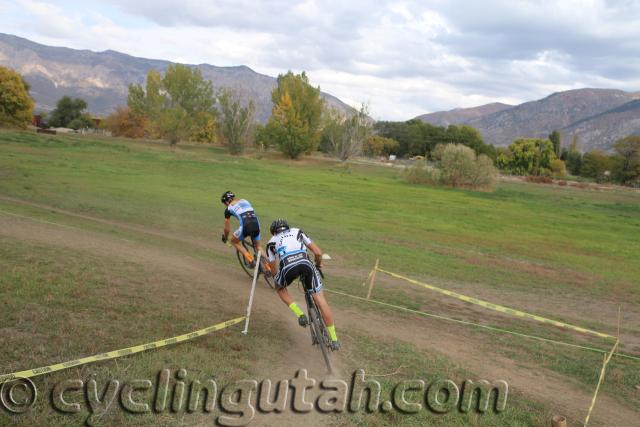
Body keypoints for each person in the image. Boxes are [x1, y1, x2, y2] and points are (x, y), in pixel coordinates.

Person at [266, 218, 340, 351]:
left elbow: (273, 269)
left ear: (273, 232)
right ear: (287, 227)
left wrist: (277, 277)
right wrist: (317, 265)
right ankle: (334, 340)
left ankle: (300, 314)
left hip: (288, 267)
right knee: (321, 301)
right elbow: (317, 252)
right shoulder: (297, 231)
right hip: (306, 264)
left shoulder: (271, 242)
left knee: (280, 288)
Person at [220, 191, 263, 268]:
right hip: (256, 224)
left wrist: (226, 237)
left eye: (224, 203)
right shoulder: (245, 200)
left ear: (226, 202)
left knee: (234, 241)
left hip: (246, 226)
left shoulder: (228, 209)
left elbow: (227, 229)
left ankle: (250, 260)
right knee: (258, 247)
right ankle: (268, 266)